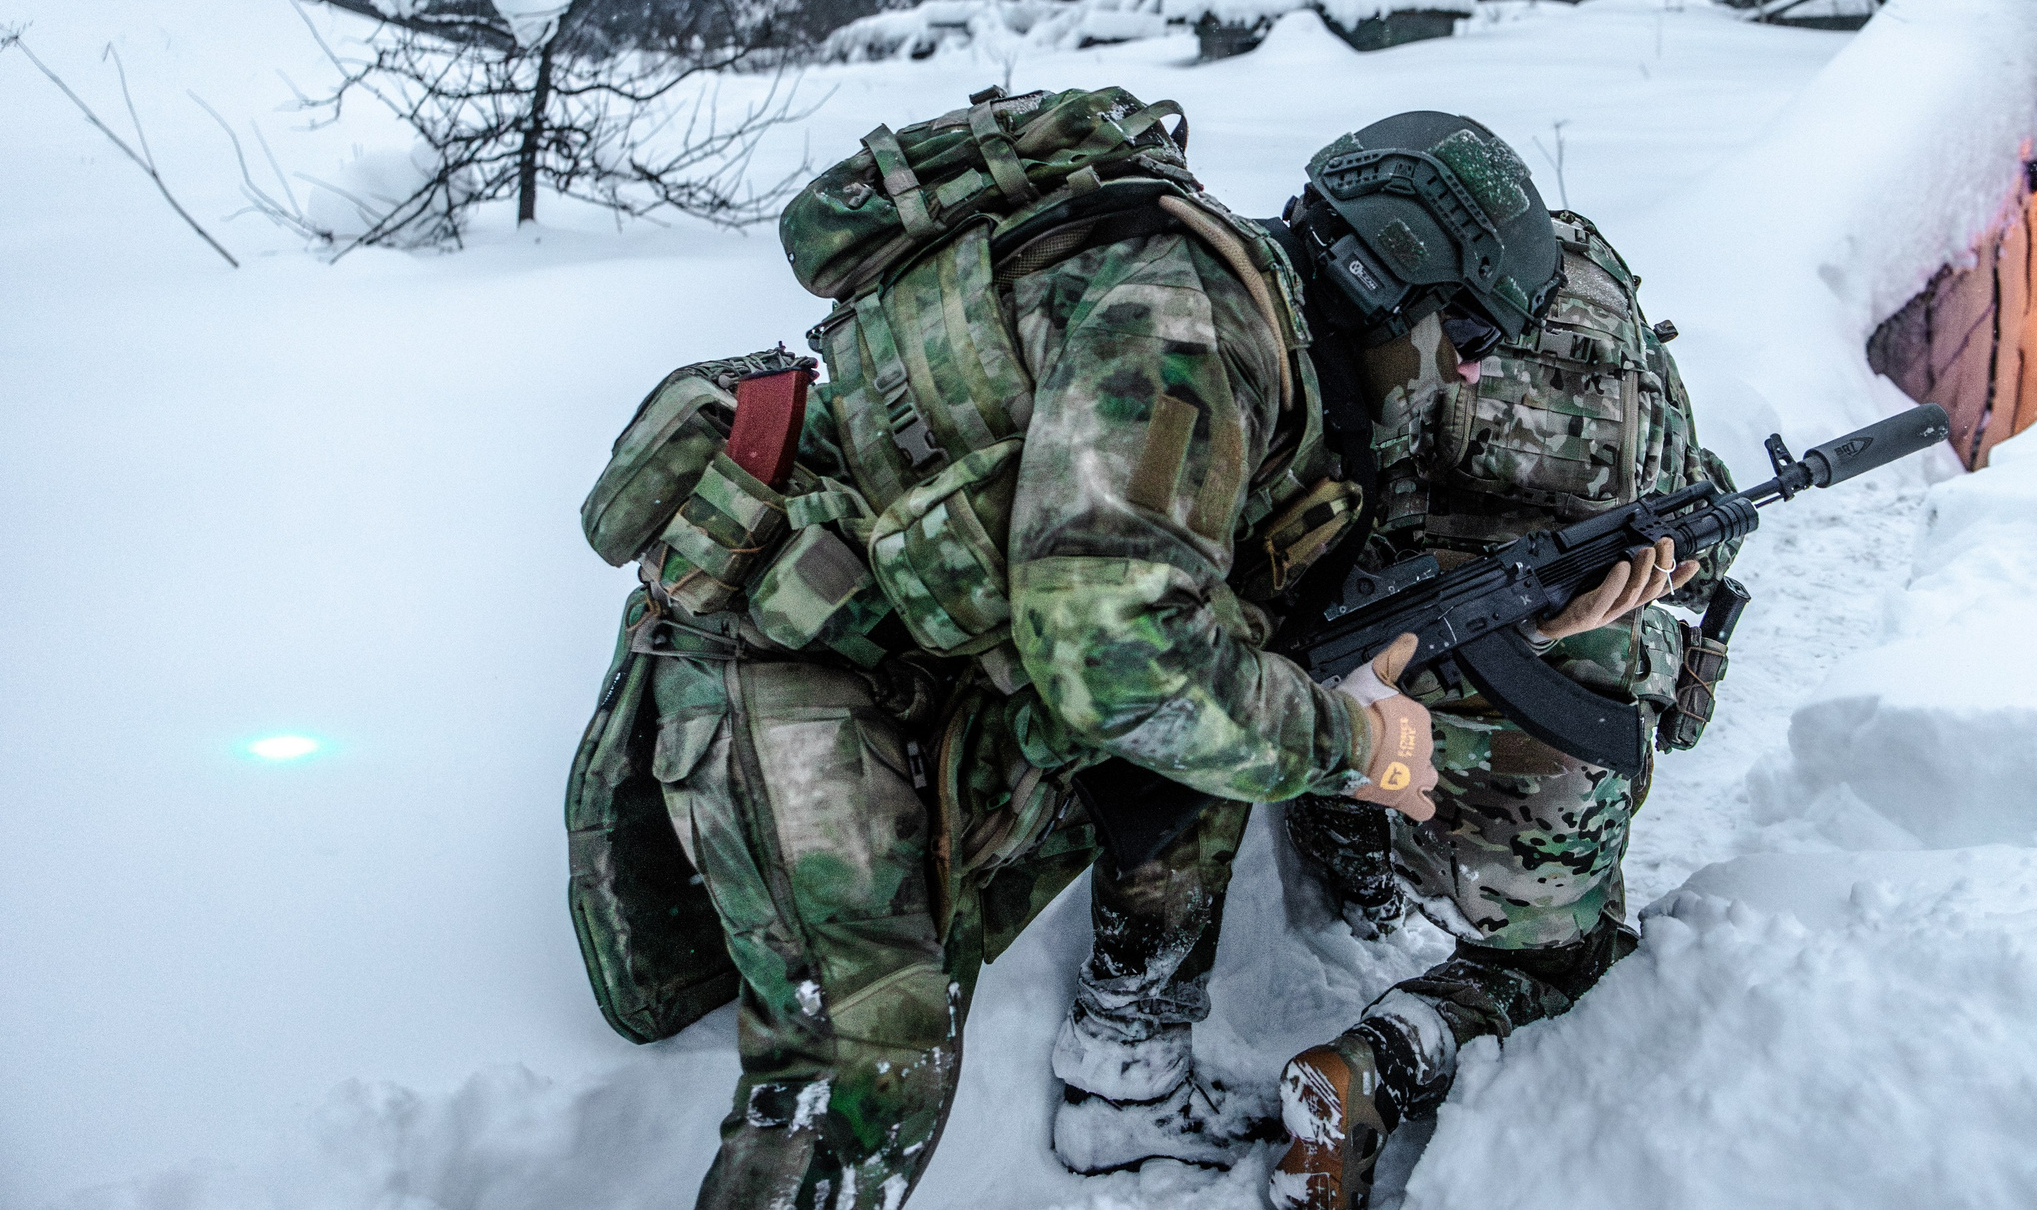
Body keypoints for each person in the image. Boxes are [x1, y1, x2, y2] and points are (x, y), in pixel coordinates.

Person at [578, 92, 1568, 1210]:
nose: (1471, 373)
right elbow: (1119, 656)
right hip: (776, 643)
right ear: (1397, 276)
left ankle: (1127, 1094)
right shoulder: (1189, 326)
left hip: (915, 653)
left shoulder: (1276, 353)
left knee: (1219, 718)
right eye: (1471, 335)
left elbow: (1182, 619)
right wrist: (1350, 743)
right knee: (869, 1051)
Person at [1263, 207, 1745, 1210]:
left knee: (1339, 747)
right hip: (1545, 725)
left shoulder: (1366, 291)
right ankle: (1382, 1058)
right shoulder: (1615, 336)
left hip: (1340, 692)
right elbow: (1697, 515)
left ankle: (1356, 886)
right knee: (1562, 963)